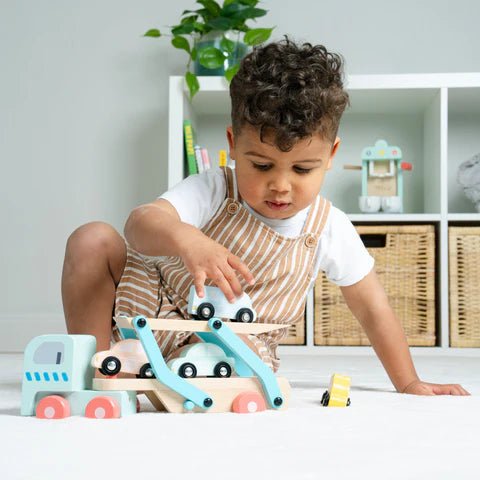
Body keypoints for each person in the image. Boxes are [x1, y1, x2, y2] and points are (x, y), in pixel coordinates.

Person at [62, 37, 469, 395]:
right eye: (261, 165)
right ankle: (99, 370)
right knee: (92, 238)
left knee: (226, 377)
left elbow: (373, 309)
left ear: (330, 156)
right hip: (155, 313)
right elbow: (139, 224)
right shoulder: (215, 187)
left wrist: (409, 382)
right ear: (233, 145)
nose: (281, 185)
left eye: (302, 169)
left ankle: (171, 375)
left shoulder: (328, 227)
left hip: (235, 347)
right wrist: (186, 238)